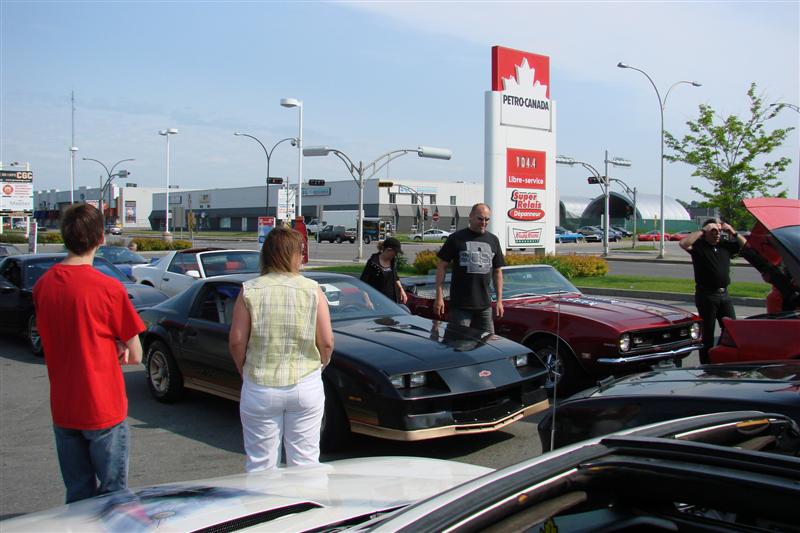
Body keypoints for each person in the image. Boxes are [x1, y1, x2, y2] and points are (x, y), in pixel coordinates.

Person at [32, 204, 144, 503]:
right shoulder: (108, 288)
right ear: (101, 239)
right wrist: (117, 346)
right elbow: (136, 354)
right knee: (114, 497)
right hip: (103, 407)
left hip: (65, 407)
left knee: (78, 495)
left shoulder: (43, 286)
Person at [229, 227, 334, 472]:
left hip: (260, 384)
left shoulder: (250, 290)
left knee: (261, 464)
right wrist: (321, 365)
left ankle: (265, 508)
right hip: (305, 383)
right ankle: (307, 507)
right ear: (295, 256)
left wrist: (244, 370)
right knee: (306, 462)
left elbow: (236, 341)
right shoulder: (312, 290)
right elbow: (327, 341)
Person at [679, 217, 746, 364]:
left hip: (724, 294)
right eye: (713, 231)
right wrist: (703, 230)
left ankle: (727, 360)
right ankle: (707, 365)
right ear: (706, 232)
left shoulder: (725, 245)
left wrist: (733, 232)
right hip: (707, 295)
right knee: (708, 333)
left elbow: (746, 246)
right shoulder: (699, 247)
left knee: (732, 329)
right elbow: (683, 243)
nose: (717, 234)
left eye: (719, 231)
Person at [433, 203, 505, 334]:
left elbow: (497, 271)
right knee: (459, 346)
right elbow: (441, 266)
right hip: (461, 306)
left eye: (487, 219)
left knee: (488, 346)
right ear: (471, 217)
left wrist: (499, 300)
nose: (484, 222)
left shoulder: (493, 240)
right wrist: (439, 296)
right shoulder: (456, 238)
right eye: (480, 218)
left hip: (485, 306)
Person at [359, 237, 407, 304]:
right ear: (389, 249)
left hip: (393, 301)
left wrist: (401, 290)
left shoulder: (392, 261)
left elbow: (395, 277)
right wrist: (367, 300)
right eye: (395, 252)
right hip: (377, 302)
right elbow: (363, 284)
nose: (396, 255)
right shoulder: (373, 262)